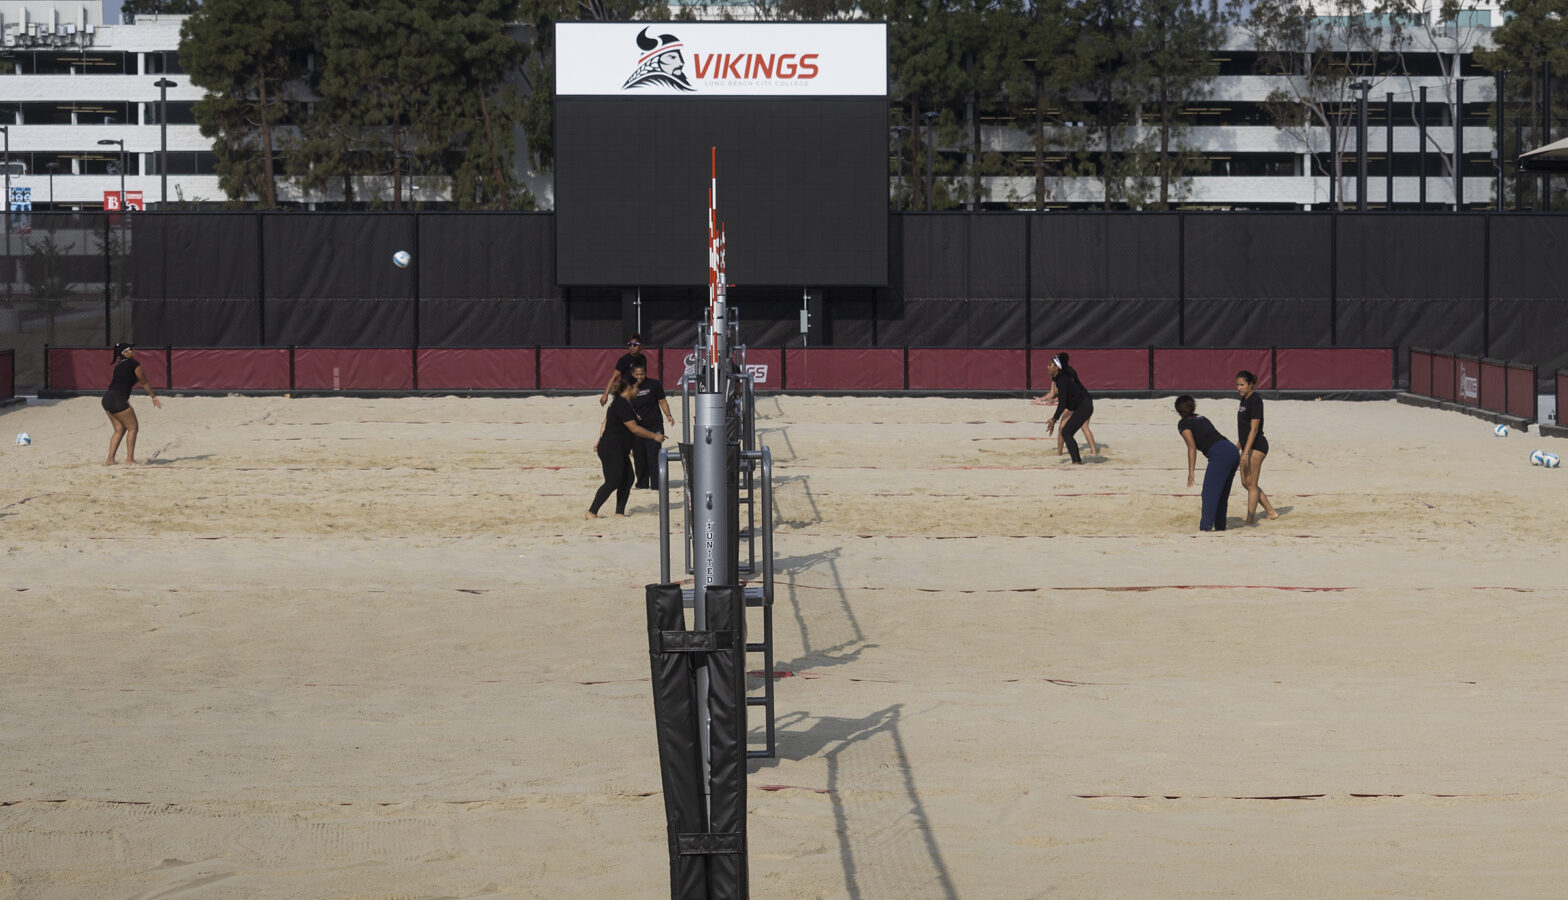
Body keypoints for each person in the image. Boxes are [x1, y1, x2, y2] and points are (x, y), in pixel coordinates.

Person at [588, 377, 665, 519]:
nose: (638, 390)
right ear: (628, 389)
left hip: (619, 448)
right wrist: (654, 436)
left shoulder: (624, 404)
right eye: (635, 388)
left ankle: (619, 513)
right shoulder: (621, 404)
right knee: (613, 481)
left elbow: (611, 423)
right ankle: (591, 512)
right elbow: (634, 429)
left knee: (628, 478)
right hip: (611, 448)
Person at [1175, 394, 1240, 533]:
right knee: (1221, 493)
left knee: (1209, 493)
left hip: (1220, 454)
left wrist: (1191, 472)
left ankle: (1205, 528)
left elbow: (1191, 447)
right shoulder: (1201, 417)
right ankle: (1220, 527)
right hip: (1232, 450)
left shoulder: (1183, 423)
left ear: (1178, 411)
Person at [102, 342, 162, 466]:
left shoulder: (119, 365)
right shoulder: (133, 363)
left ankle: (110, 459)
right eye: (130, 349)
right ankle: (130, 460)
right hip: (118, 399)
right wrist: (153, 396)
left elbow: (125, 382)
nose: (132, 351)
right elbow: (144, 381)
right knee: (133, 428)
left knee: (119, 430)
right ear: (124, 353)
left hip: (107, 399)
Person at [1235, 370, 1280, 525]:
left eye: (1242, 384)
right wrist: (1238, 445)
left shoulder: (1255, 401)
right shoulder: (1243, 400)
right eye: (1237, 384)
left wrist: (1245, 453)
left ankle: (1249, 520)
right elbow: (1244, 428)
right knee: (1245, 483)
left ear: (1250, 384)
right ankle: (1270, 511)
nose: (1239, 387)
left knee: (1252, 484)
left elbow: (1254, 429)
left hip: (1258, 446)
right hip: (1247, 445)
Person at [629, 362, 675, 490]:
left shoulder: (654, 385)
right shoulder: (628, 387)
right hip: (636, 427)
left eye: (642, 374)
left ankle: (657, 485)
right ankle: (642, 484)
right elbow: (624, 404)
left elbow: (662, 401)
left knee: (653, 455)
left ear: (646, 373)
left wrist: (668, 414)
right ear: (632, 374)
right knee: (639, 456)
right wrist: (632, 415)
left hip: (654, 425)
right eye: (637, 374)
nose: (640, 377)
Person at [1042, 353, 1095, 464]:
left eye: (1050, 364)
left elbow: (1062, 403)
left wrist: (1054, 419)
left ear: (1057, 367)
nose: (1047, 366)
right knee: (1066, 431)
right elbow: (1063, 401)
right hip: (1079, 405)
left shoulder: (1062, 380)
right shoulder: (1058, 378)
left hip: (1084, 406)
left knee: (1067, 431)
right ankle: (1075, 460)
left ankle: (1078, 461)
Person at [1032, 374, 1097, 457]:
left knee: (1068, 427)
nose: (1048, 367)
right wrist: (1041, 399)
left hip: (1080, 401)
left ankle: (1060, 453)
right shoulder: (1055, 375)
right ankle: (1093, 453)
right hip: (1081, 400)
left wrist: (1055, 400)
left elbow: (1068, 394)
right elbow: (1053, 392)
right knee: (1080, 427)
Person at [600, 334, 649, 406]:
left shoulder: (643, 358)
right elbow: (613, 377)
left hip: (637, 389)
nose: (632, 347)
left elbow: (643, 375)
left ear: (641, 346)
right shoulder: (624, 360)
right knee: (615, 412)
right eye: (630, 344)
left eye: (635, 345)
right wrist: (605, 394)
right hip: (625, 389)